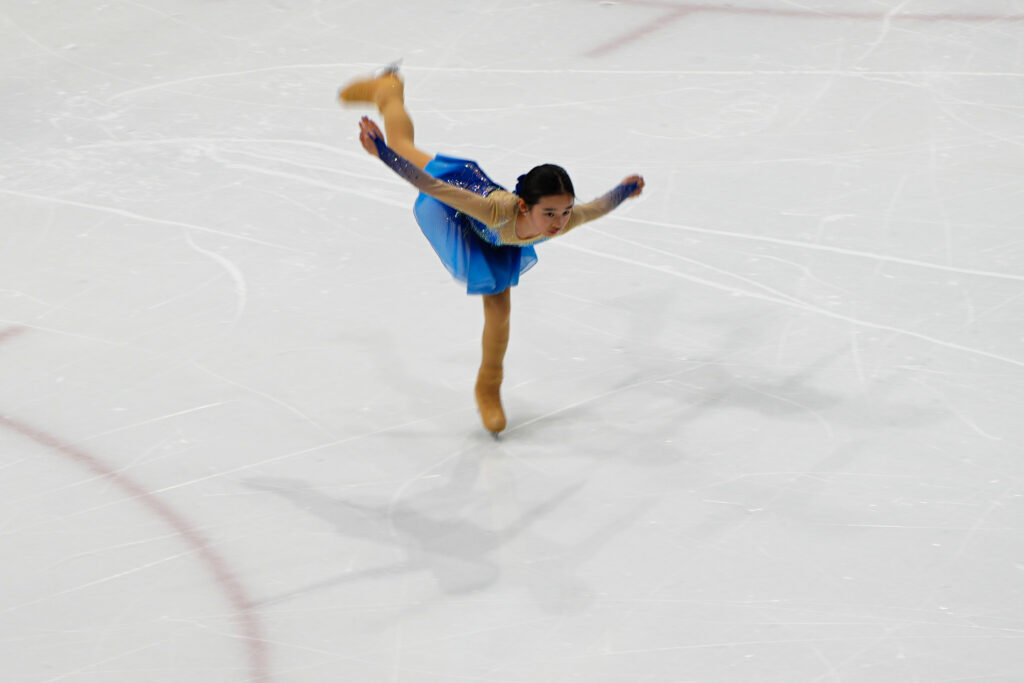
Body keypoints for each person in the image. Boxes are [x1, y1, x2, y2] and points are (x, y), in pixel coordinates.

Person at [339, 68, 645, 436]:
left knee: (499, 310)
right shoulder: (495, 211)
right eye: (549, 213)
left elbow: (594, 208)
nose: (558, 223)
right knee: (403, 146)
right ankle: (388, 91)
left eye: (564, 212)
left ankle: (488, 386)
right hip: (457, 201)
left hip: (496, 238)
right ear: (524, 207)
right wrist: (384, 154)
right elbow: (435, 188)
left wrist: (623, 191)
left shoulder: (562, 219)